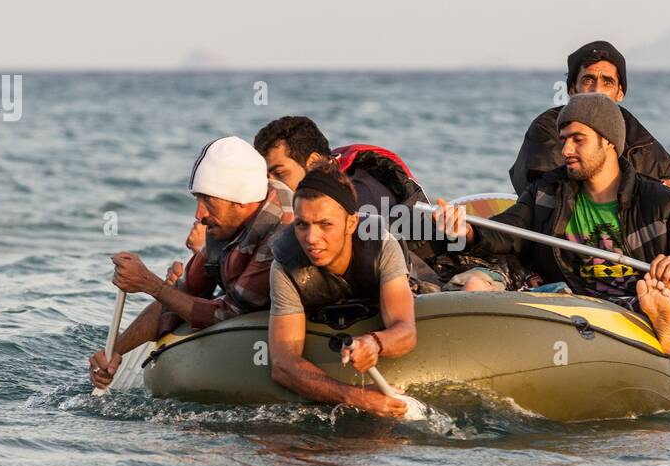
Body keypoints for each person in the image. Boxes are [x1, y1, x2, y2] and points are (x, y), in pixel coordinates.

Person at [435, 93, 670, 359]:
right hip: (569, 301)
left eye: (578, 139)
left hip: (636, 301)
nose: (565, 150)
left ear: (608, 140)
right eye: (563, 140)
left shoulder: (665, 203)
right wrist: (469, 231)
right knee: (476, 282)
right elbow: (509, 231)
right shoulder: (547, 193)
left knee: (668, 297)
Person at [87, 136, 292, 390]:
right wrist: (114, 354)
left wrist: (150, 284)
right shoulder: (223, 222)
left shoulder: (282, 231)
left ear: (241, 200)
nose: (199, 214)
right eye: (198, 199)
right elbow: (180, 295)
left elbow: (226, 315)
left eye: (208, 201)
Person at [267, 162, 417, 417]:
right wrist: (355, 397)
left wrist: (374, 343)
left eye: (325, 224)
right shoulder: (284, 264)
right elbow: (283, 364)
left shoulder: (382, 245)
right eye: (302, 225)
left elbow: (406, 330)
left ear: (351, 224)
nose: (312, 239)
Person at [253, 115, 448, 291]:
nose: (271, 186)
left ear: (313, 162)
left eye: (279, 174)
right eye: (265, 177)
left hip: (424, 280)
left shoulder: (360, 196)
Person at [508, 40, 670, 195]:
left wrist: (669, 199)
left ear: (620, 92)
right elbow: (548, 193)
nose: (597, 90)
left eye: (607, 82)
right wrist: (650, 191)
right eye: (588, 80)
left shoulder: (647, 148)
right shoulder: (548, 129)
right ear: (572, 90)